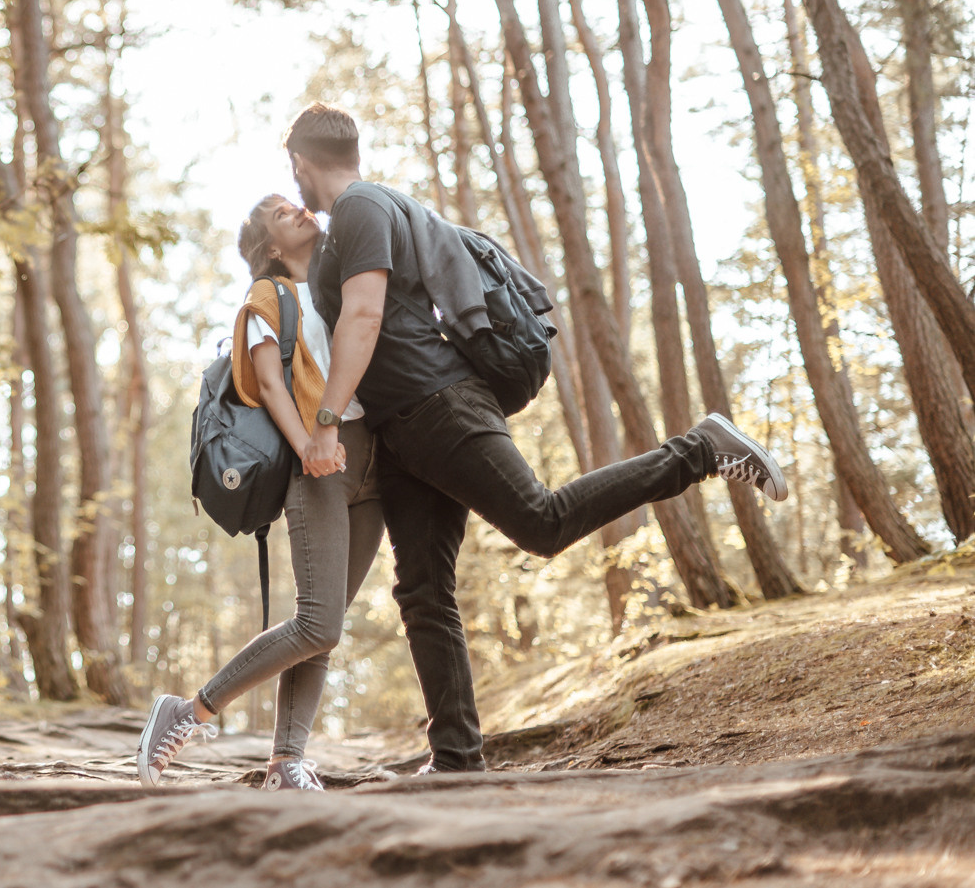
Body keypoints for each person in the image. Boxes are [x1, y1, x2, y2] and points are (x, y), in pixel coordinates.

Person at [279, 102, 789, 773]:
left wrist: (323, 421)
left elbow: (367, 313)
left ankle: (700, 447)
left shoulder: (362, 206)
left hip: (440, 405)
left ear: (300, 162)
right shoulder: (353, 217)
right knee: (423, 587)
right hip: (403, 429)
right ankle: (457, 755)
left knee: (542, 521)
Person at [136, 194, 386, 792]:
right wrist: (310, 445)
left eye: (297, 205)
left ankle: (286, 763)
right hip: (318, 460)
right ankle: (189, 711)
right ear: (271, 246)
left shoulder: (338, 285)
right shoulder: (266, 300)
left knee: (328, 621)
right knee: (318, 624)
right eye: (282, 214)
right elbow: (272, 386)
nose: (300, 211)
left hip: (377, 463)